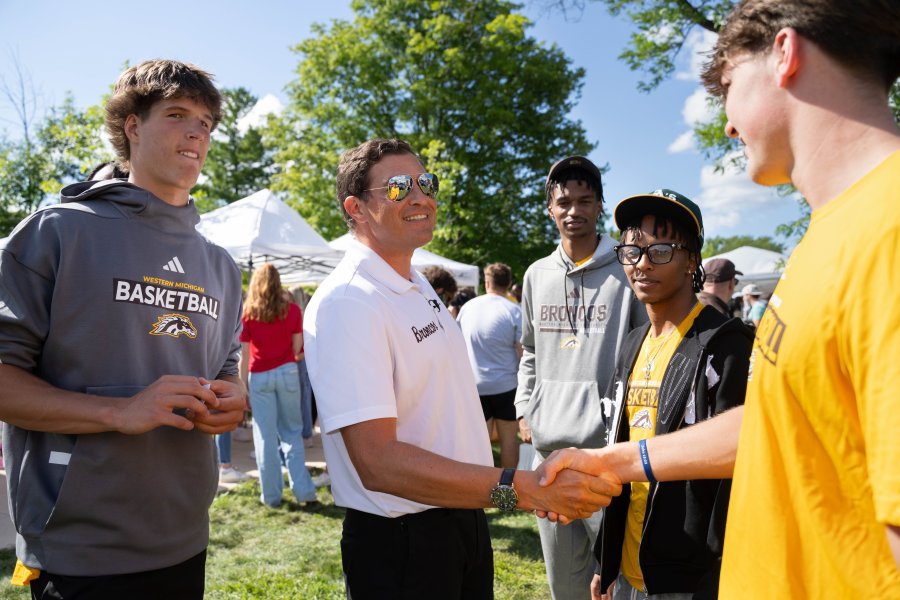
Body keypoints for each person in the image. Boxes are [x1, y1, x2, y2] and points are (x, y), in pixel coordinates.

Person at [537, 1, 900, 595]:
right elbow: (783, 421)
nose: (728, 123)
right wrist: (618, 463)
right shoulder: (833, 232)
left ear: (785, 54)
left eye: (728, 84)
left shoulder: (888, 229)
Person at [303, 138, 620, 600]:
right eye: (397, 188)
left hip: (460, 520)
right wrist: (520, 488)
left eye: (425, 183)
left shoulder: (413, 281)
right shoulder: (349, 300)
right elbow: (377, 464)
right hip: (403, 543)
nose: (419, 197)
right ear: (356, 207)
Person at [0, 59, 247, 598]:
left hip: (186, 537)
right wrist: (119, 411)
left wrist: (234, 396)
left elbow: (227, 364)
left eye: (205, 122)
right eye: (177, 114)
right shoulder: (56, 233)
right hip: (80, 553)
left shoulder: (221, 265)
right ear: (131, 127)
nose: (195, 132)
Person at [596, 190, 752, 600]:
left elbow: (739, 471)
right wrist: (607, 559)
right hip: (631, 570)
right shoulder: (632, 343)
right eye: (632, 250)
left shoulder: (725, 343)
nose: (643, 263)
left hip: (693, 577)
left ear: (691, 260)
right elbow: (620, 449)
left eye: (661, 250)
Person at [515, 156, 647, 599]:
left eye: (585, 201)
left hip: (608, 456)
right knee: (566, 586)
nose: (574, 210)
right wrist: (524, 408)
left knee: (619, 583)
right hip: (548, 455)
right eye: (564, 202)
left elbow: (645, 348)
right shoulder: (536, 275)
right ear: (550, 209)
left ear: (599, 206)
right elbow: (530, 350)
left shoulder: (627, 269)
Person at [240, 264, 317, 508]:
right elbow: (297, 349)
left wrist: (242, 386)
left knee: (264, 438)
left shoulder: (249, 312)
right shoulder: (293, 310)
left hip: (260, 376)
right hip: (287, 372)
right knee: (292, 433)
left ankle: (272, 497)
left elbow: (244, 353)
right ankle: (303, 491)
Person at [457, 263, 523, 468]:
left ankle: (479, 489)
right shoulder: (514, 310)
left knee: (479, 444)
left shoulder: (468, 308)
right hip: (506, 386)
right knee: (509, 441)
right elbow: (523, 353)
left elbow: (456, 344)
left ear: (487, 283)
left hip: (475, 385)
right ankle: (507, 491)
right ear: (509, 283)